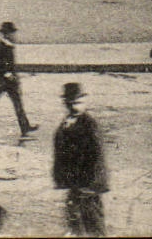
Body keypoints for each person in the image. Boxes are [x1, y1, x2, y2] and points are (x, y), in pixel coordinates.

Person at [53, 81, 108, 236]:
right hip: (76, 184)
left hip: (89, 186)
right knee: (76, 225)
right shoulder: (67, 123)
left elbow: (97, 156)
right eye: (70, 103)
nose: (74, 107)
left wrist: (90, 185)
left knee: (94, 226)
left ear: (85, 102)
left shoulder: (89, 124)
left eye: (78, 103)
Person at [0, 21, 37, 136]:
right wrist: (8, 74)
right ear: (6, 34)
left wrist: (13, 77)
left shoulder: (9, 47)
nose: (14, 35)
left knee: (18, 104)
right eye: (12, 33)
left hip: (10, 82)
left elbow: (9, 65)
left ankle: (25, 126)